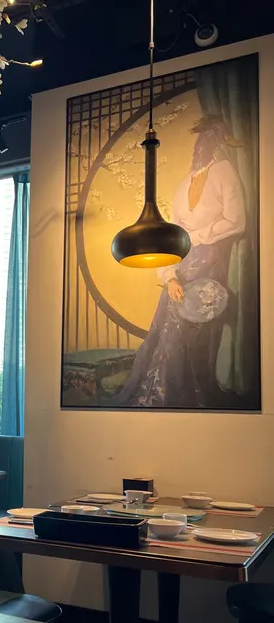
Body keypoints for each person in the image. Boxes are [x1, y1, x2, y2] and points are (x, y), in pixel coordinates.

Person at [112, 114, 246, 408]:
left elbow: (236, 222)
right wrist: (170, 277)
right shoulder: (184, 184)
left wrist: (196, 236)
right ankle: (157, 396)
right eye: (201, 142)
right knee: (166, 331)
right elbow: (169, 238)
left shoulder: (225, 172)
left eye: (209, 140)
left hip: (211, 264)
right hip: (181, 265)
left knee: (192, 334)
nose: (203, 148)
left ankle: (187, 399)